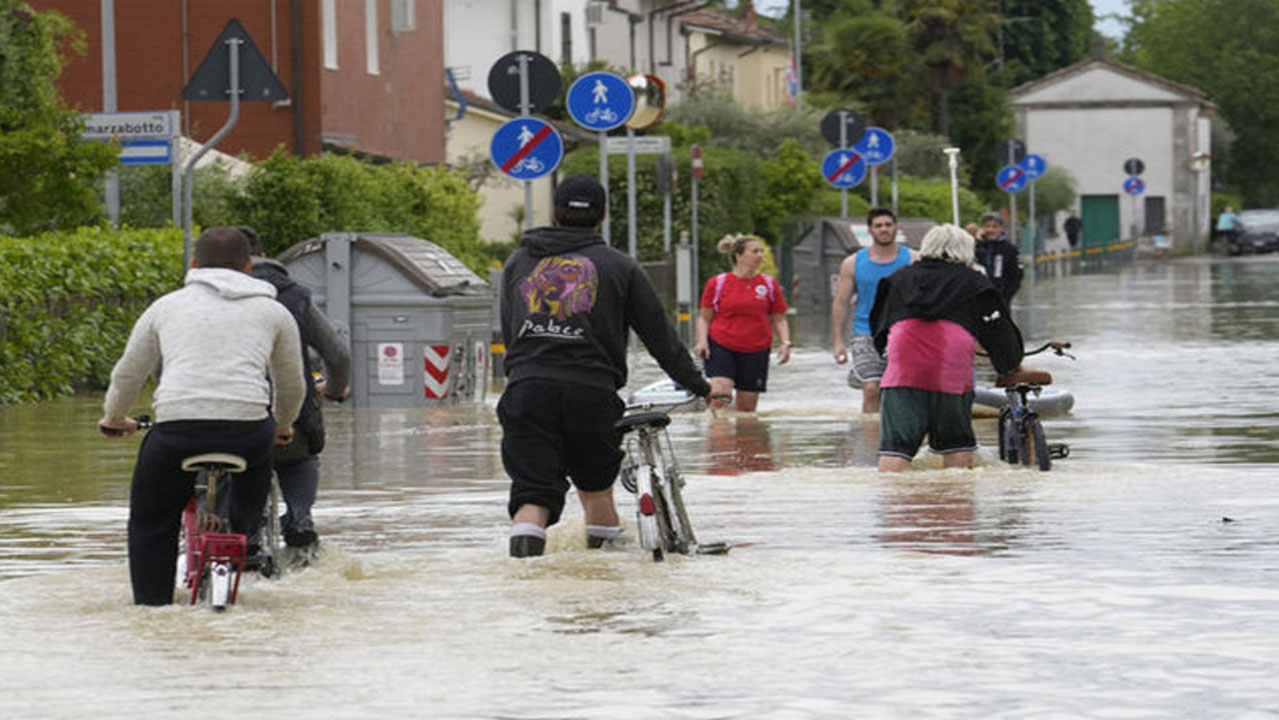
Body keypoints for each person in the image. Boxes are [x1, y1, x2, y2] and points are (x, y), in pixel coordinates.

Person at [498, 175, 721, 558]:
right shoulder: (620, 266)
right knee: (595, 486)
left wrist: (523, 376)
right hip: (592, 392)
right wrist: (701, 386)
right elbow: (660, 338)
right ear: (602, 215)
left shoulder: (519, 261)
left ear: (555, 211)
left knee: (533, 493)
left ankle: (525, 578)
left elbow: (508, 326)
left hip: (527, 388)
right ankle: (603, 575)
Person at [98, 227, 305, 605]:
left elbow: (128, 373)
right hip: (248, 431)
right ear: (249, 267)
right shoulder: (275, 312)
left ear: (194, 264)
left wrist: (114, 418)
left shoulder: (166, 306)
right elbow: (292, 385)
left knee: (151, 522)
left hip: (177, 430)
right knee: (259, 461)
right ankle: (245, 537)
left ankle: (152, 606)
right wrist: (284, 425)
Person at [869, 224, 1026, 472]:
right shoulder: (976, 283)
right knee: (955, 444)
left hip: (904, 369)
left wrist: (886, 357)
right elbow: (998, 331)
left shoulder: (898, 279)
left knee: (896, 448)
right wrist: (1009, 363)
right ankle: (956, 504)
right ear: (966, 250)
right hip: (950, 368)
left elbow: (879, 327)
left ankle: (892, 504)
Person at [241, 226, 351, 557]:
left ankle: (236, 533)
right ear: (261, 256)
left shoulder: (196, 298)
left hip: (225, 413)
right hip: (289, 410)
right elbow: (337, 354)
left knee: (224, 468)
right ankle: (301, 518)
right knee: (299, 459)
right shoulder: (294, 296)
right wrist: (332, 390)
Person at [692, 234, 791, 412]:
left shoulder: (769, 284)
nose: (760, 255)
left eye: (761, 251)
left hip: (756, 348)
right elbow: (704, 317)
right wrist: (701, 340)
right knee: (720, 396)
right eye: (754, 251)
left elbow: (779, 318)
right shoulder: (718, 283)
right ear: (739, 256)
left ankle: (743, 439)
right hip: (722, 345)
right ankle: (719, 435)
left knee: (746, 411)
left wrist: (785, 343)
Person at [831, 208, 914, 414]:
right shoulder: (852, 263)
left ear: (897, 227)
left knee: (900, 390)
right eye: (878, 226)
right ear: (870, 230)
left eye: (888, 225)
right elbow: (841, 303)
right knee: (871, 388)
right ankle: (869, 442)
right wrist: (838, 342)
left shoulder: (913, 259)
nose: (884, 229)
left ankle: (894, 438)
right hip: (865, 331)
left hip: (904, 332)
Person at [974, 212, 1023, 303]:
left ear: (1001, 228)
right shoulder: (975, 246)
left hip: (1001, 299)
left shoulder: (1010, 249)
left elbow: (1017, 276)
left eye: (994, 226)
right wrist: (978, 242)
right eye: (987, 226)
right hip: (978, 299)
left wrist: (1005, 296)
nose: (990, 230)